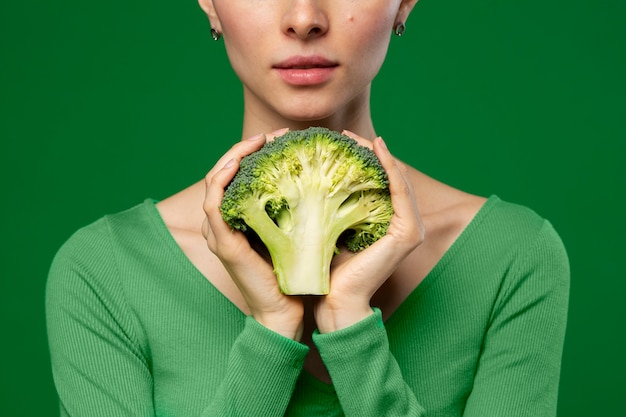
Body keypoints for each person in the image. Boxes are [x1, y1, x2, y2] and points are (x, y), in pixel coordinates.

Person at [46, 1, 570, 416]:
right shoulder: (104, 271)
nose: (303, 19)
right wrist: (274, 330)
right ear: (208, 2)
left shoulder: (510, 256)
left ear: (405, 2)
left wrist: (349, 326)